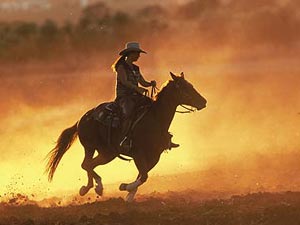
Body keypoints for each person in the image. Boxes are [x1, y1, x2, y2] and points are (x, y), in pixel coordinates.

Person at [112, 42, 179, 150]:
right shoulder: (121, 67)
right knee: (128, 113)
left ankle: (163, 137)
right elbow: (124, 82)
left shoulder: (135, 68)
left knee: (155, 109)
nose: (139, 55)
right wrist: (137, 88)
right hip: (124, 97)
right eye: (137, 53)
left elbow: (142, 82)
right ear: (130, 54)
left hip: (135, 96)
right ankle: (125, 139)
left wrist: (149, 83)